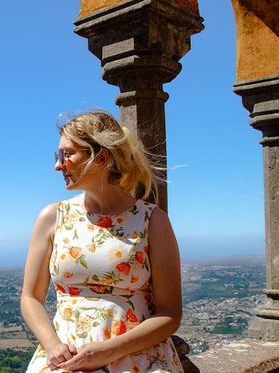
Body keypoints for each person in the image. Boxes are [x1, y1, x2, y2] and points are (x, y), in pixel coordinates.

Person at [20, 110, 183, 373]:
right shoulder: (52, 217)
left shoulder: (152, 220)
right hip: (66, 357)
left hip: (137, 357)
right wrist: (53, 347)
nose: (58, 165)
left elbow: (170, 314)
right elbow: (30, 297)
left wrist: (110, 351)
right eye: (57, 155)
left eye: (67, 154)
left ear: (101, 157)